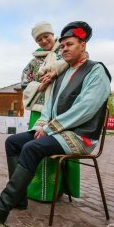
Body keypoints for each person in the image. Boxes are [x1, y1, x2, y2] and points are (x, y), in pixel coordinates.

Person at [0, 21, 111, 223]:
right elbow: (50, 105)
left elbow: (85, 109)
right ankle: (18, 200)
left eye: (70, 44)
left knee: (31, 148)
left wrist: (50, 129)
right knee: (12, 142)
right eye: (63, 45)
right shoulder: (63, 72)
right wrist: (41, 125)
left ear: (83, 45)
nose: (64, 48)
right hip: (59, 132)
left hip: (79, 136)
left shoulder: (96, 71)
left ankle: (2, 207)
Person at [20, 22, 70, 204]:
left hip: (61, 108)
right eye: (39, 39)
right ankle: (34, 191)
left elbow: (78, 64)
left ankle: (60, 189)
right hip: (39, 111)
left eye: (46, 36)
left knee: (59, 148)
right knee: (36, 148)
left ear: (52, 34)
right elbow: (25, 83)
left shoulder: (65, 50)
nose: (43, 41)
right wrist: (40, 85)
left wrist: (55, 72)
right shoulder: (33, 62)